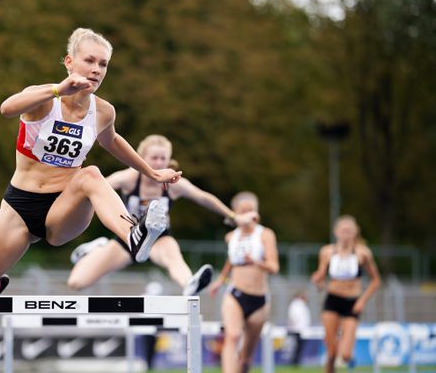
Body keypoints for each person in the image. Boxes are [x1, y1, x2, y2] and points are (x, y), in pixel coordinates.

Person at [0, 28, 182, 321]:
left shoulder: (103, 112)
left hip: (63, 208)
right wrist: (59, 89)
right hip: (19, 209)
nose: (97, 70)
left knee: (90, 175)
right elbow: (6, 108)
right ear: (70, 62)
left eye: (104, 64)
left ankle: (133, 234)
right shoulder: (45, 98)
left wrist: (152, 172)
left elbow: (113, 141)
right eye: (90, 61)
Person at [67, 134, 252, 296]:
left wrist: (234, 216)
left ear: (169, 160)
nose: (158, 163)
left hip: (158, 240)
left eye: (163, 158)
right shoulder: (129, 178)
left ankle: (189, 283)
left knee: (173, 257)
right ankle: (98, 248)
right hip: (127, 238)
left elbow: (203, 197)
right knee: (76, 282)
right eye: (153, 158)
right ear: (140, 158)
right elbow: (95, 189)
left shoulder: (174, 183)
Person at [208, 191, 279, 373]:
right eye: (243, 211)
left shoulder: (265, 235)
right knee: (232, 336)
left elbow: (274, 267)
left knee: (246, 357)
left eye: (251, 210)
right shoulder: (231, 237)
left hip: (259, 299)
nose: (248, 214)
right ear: (236, 214)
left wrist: (255, 261)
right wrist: (220, 280)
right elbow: (231, 260)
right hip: (235, 293)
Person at [311, 215, 381, 373]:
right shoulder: (327, 252)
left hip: (352, 302)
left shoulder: (363, 253)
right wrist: (317, 280)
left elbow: (376, 280)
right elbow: (321, 276)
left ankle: (348, 353)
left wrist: (362, 300)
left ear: (355, 232)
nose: (346, 234)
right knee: (332, 352)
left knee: (345, 354)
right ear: (336, 232)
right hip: (332, 300)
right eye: (343, 231)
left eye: (349, 231)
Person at [286, 290, 311, 366]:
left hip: (300, 330)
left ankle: (296, 362)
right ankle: (294, 362)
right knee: (296, 348)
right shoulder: (297, 304)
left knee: (299, 348)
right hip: (297, 330)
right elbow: (294, 317)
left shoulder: (301, 305)